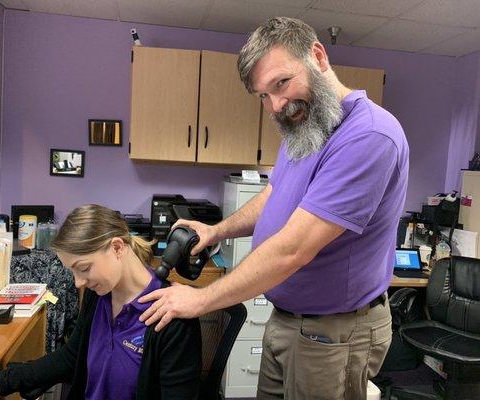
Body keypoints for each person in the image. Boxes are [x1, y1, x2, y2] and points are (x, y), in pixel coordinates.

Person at [139, 17, 409, 399]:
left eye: (281, 83)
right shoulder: (307, 128)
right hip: (288, 321)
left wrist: (199, 300)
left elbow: (293, 249)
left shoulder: (368, 136)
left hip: (334, 334)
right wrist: (216, 231)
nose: (276, 105)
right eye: (263, 95)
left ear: (318, 56)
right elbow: (274, 195)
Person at [0, 204, 202, 400]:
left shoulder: (172, 317)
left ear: (117, 248)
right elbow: (71, 358)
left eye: (84, 268)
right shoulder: (98, 294)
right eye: (73, 272)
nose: (79, 283)